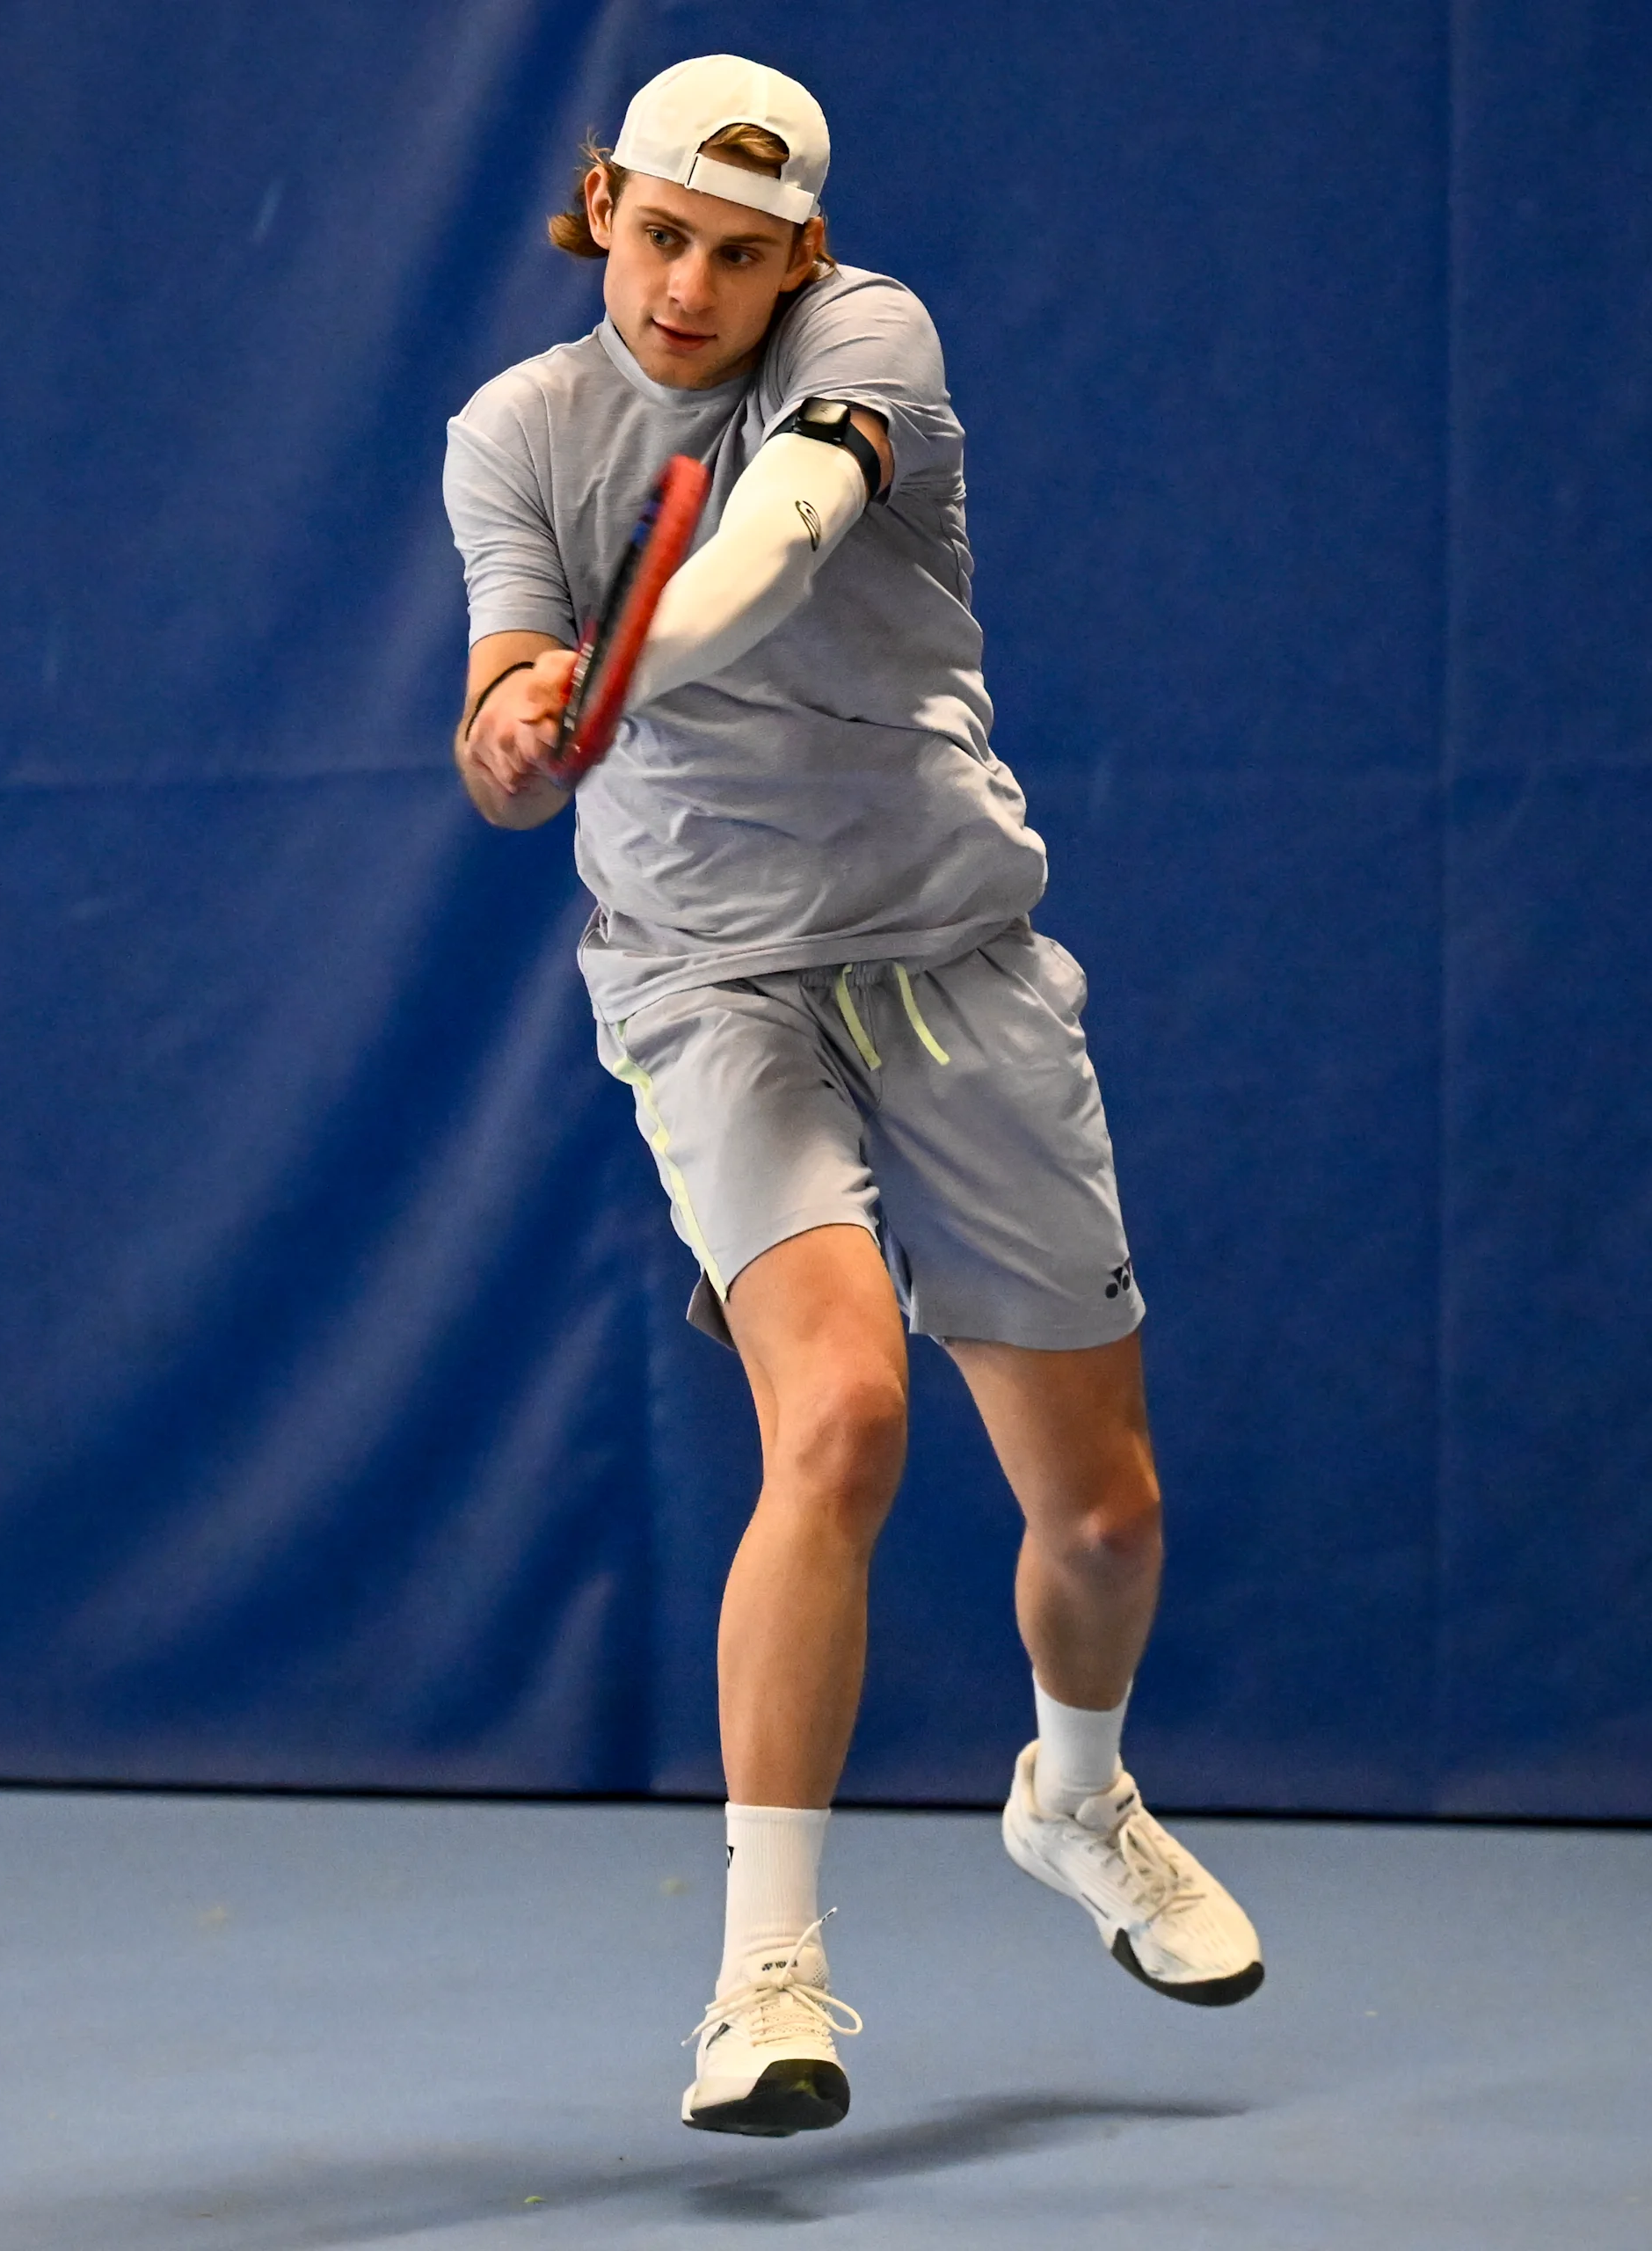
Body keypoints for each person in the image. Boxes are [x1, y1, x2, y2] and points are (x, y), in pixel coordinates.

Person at [441, 54, 1262, 2138]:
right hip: (709, 982)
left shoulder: (868, 333)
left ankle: (1076, 1801)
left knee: (1103, 1509)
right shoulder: (517, 435)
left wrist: (640, 654)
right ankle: (765, 1975)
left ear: (795, 251)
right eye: (656, 235)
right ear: (597, 206)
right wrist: (527, 735)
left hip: (955, 959)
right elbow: (493, 721)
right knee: (846, 1414)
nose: (689, 285)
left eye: (737, 250)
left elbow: (789, 531)